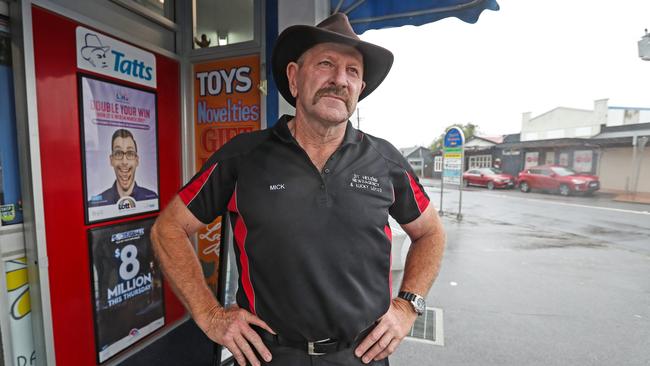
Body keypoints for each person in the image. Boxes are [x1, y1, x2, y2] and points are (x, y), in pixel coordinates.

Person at [151, 13, 445, 366]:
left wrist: (407, 306)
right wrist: (209, 315)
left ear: (360, 90)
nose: (340, 80)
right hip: (269, 355)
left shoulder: (384, 160)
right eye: (326, 64)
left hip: (361, 356)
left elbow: (430, 232)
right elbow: (168, 228)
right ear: (294, 77)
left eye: (353, 71)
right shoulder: (244, 157)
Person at [89, 128, 158, 207]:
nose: (124, 162)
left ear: (137, 161)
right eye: (118, 153)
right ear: (111, 160)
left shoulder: (152, 198)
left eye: (130, 153)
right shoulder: (94, 205)